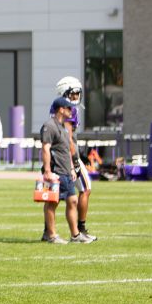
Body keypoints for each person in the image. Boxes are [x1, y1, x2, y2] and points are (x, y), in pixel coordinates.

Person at [40, 97, 94, 243]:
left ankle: (75, 235)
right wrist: (47, 171)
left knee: (73, 201)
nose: (71, 111)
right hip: (55, 171)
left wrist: (71, 168)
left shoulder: (63, 127)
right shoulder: (49, 126)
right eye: (69, 108)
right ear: (61, 109)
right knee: (53, 202)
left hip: (65, 171)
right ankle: (51, 235)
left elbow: (66, 150)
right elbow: (45, 149)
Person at [54, 76, 96, 237]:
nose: (77, 96)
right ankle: (81, 229)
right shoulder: (68, 110)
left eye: (78, 92)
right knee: (85, 189)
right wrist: (74, 160)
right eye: (74, 92)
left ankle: (48, 231)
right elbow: (68, 137)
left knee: (56, 194)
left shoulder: (56, 107)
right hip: (67, 157)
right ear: (65, 92)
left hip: (59, 156)